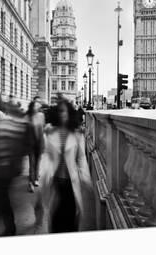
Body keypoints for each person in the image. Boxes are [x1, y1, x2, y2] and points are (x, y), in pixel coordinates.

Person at [35, 99, 95, 233]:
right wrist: (43, 175)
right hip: (55, 183)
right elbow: (46, 156)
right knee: (55, 220)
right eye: (60, 111)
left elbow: (81, 158)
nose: (62, 114)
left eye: (64, 111)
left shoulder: (77, 134)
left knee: (70, 220)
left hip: (70, 183)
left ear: (69, 113)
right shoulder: (50, 133)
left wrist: (86, 178)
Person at [0, 101, 31, 236]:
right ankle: (7, 224)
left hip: (3, 167)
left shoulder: (8, 123)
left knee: (1, 196)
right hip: (9, 168)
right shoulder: (19, 125)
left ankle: (9, 227)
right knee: (2, 195)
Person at [26, 99, 45, 193]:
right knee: (32, 163)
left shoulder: (41, 116)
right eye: (35, 105)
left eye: (38, 105)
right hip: (31, 144)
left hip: (39, 143)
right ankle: (30, 182)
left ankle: (36, 179)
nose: (37, 107)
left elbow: (43, 129)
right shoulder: (28, 117)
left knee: (37, 163)